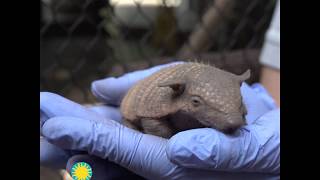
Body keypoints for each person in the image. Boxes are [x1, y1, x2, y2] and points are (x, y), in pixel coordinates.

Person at [40, 1, 280, 179]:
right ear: (176, 91)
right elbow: (150, 119)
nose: (234, 121)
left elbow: (234, 113)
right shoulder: (164, 98)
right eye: (196, 102)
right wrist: (271, 102)